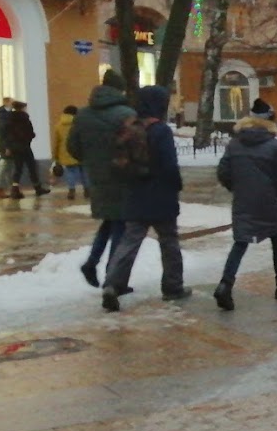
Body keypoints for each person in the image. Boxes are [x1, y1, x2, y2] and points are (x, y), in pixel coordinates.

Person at [101, 85, 191, 310]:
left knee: (129, 242)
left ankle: (112, 284)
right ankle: (173, 287)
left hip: (135, 194)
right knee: (169, 242)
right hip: (161, 195)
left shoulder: (129, 128)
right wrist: (176, 186)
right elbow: (169, 165)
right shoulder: (161, 131)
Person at [213, 98, 277, 311]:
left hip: (243, 200)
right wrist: (275, 196)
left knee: (240, 242)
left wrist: (238, 189)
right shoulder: (274, 146)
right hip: (267, 201)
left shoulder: (235, 143)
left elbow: (223, 172)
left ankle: (225, 284)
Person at [69, 69, 135, 287]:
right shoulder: (126, 114)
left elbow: (72, 147)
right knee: (120, 225)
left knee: (110, 220)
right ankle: (113, 278)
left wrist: (92, 161)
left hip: (96, 177)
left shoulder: (83, 114)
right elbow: (135, 146)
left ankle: (92, 262)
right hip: (122, 176)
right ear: (119, 90)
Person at [2, 101, 50, 199]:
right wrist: (30, 137)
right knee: (32, 167)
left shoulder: (8, 119)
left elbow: (6, 134)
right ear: (22, 108)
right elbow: (30, 132)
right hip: (25, 146)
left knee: (17, 168)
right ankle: (37, 188)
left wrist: (8, 146)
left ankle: (14, 189)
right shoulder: (25, 118)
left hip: (14, 147)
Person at [51, 104, 88, 199]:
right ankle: (87, 190)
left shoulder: (59, 126)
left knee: (70, 172)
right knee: (84, 171)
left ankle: (71, 191)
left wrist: (55, 156)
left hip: (66, 153)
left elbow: (56, 143)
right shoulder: (80, 124)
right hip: (81, 151)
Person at [0, 96, 15, 197]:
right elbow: (4, 133)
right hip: (6, 146)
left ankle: (12, 188)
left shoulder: (7, 115)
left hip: (9, 145)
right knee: (4, 165)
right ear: (6, 103)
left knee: (9, 167)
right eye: (11, 102)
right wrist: (7, 147)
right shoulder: (3, 116)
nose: (13, 104)